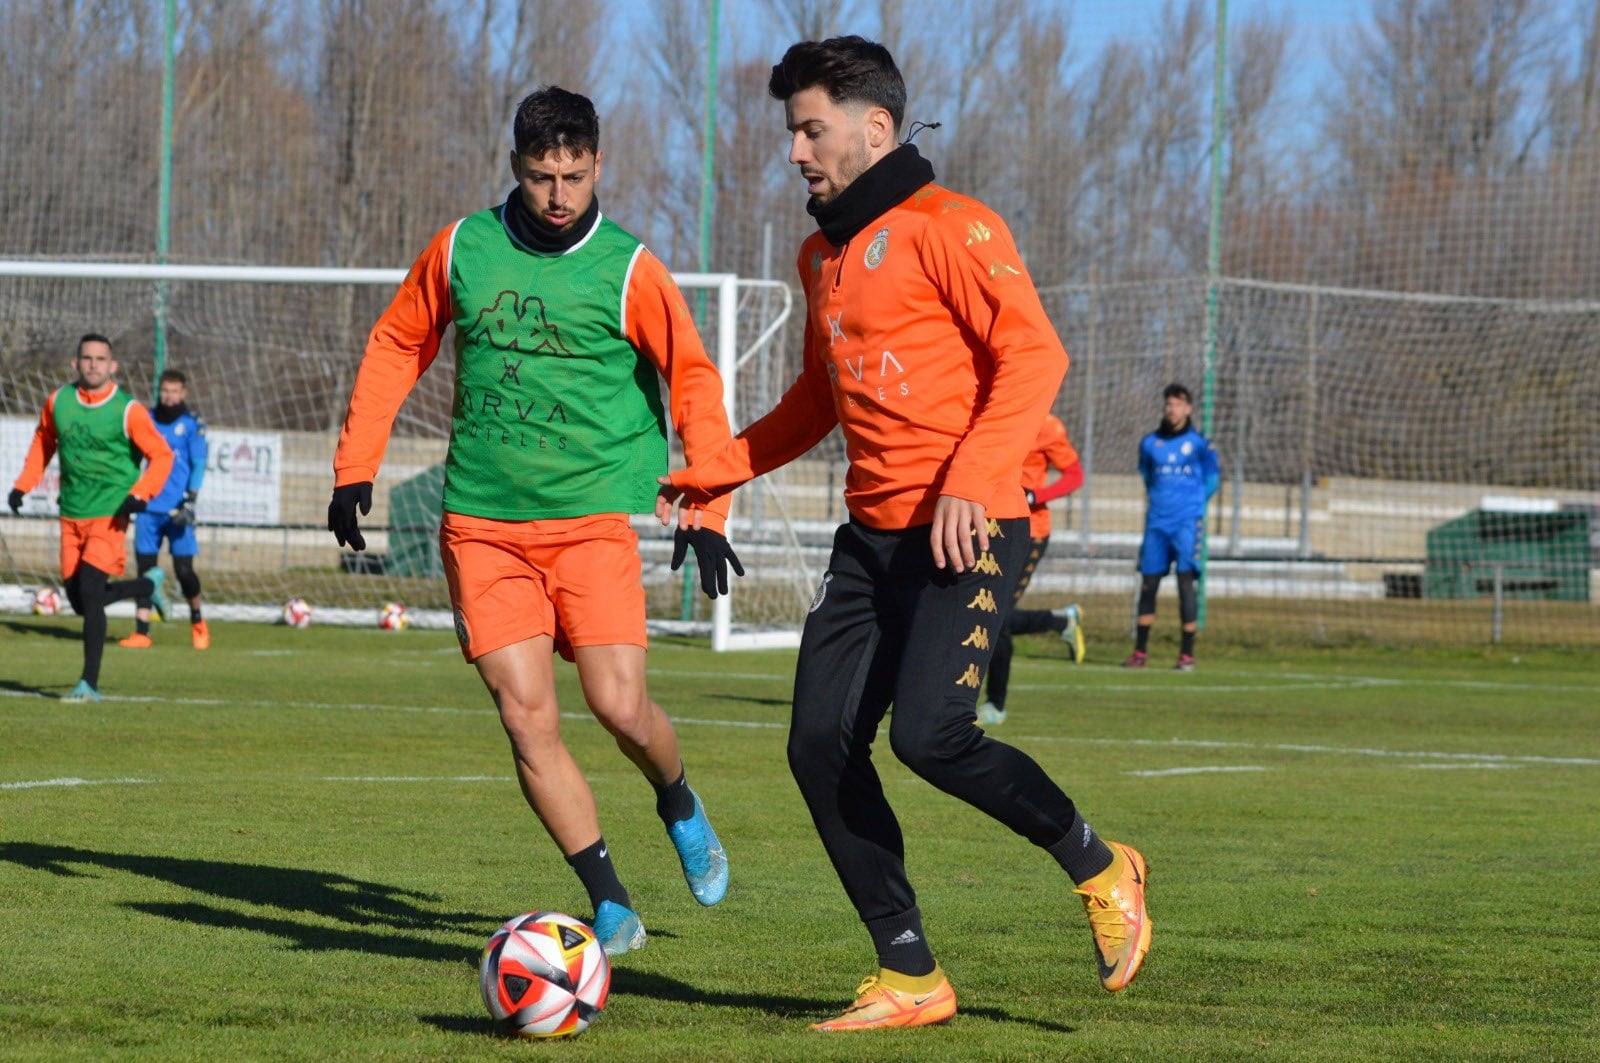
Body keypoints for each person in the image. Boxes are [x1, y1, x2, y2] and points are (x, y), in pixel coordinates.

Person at [656, 37, 1151, 1031]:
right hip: (869, 541)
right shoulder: (820, 255)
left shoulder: (952, 227)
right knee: (816, 745)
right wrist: (713, 469)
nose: (795, 150)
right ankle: (909, 970)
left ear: (873, 129)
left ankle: (1099, 863)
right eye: (790, 130)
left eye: (811, 129)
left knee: (931, 737)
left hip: (970, 530)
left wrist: (974, 476)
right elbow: (815, 402)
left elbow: (1033, 354)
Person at [326, 87, 740, 957]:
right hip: (481, 524)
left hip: (589, 521)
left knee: (619, 706)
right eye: (543, 175)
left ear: (598, 166)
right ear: (515, 164)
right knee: (527, 719)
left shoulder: (630, 268)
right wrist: (356, 464)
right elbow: (398, 342)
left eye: (575, 176)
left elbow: (694, 378)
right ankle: (609, 899)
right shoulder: (462, 247)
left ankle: (677, 798)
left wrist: (707, 501)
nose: (559, 194)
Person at [7, 334, 173, 702]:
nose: (94, 364)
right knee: (82, 601)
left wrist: (140, 494)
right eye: (87, 358)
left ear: (113, 366)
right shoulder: (59, 401)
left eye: (101, 358)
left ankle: (89, 684)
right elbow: (43, 442)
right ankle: (147, 586)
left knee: (90, 591)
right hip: (71, 514)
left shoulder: (128, 409)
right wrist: (23, 485)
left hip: (110, 514)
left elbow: (162, 456)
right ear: (75, 363)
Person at [977, 411, 1086, 726]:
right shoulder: (990, 413)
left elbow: (1074, 475)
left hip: (1029, 532)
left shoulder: (1047, 425)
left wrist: (1036, 495)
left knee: (995, 617)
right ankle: (1061, 620)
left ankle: (995, 705)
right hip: (987, 527)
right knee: (984, 612)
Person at [1125, 383, 1221, 672]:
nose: (1172, 409)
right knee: (1149, 584)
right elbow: (1146, 475)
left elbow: (1213, 480)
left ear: (1189, 408)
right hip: (1157, 524)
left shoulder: (1201, 444)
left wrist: (1192, 506)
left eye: (1178, 404)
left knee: (1185, 583)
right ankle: (1140, 652)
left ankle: (1186, 655)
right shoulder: (1149, 443)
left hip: (1187, 523)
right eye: (1169, 403)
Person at [120, 369, 211, 651]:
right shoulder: (146, 419)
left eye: (175, 391)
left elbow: (198, 464)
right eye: (165, 391)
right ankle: (142, 632)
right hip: (148, 507)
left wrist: (190, 500)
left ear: (183, 393)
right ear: (159, 391)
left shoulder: (192, 424)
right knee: (145, 571)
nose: (169, 397)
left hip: (177, 510)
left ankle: (197, 620)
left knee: (184, 571)